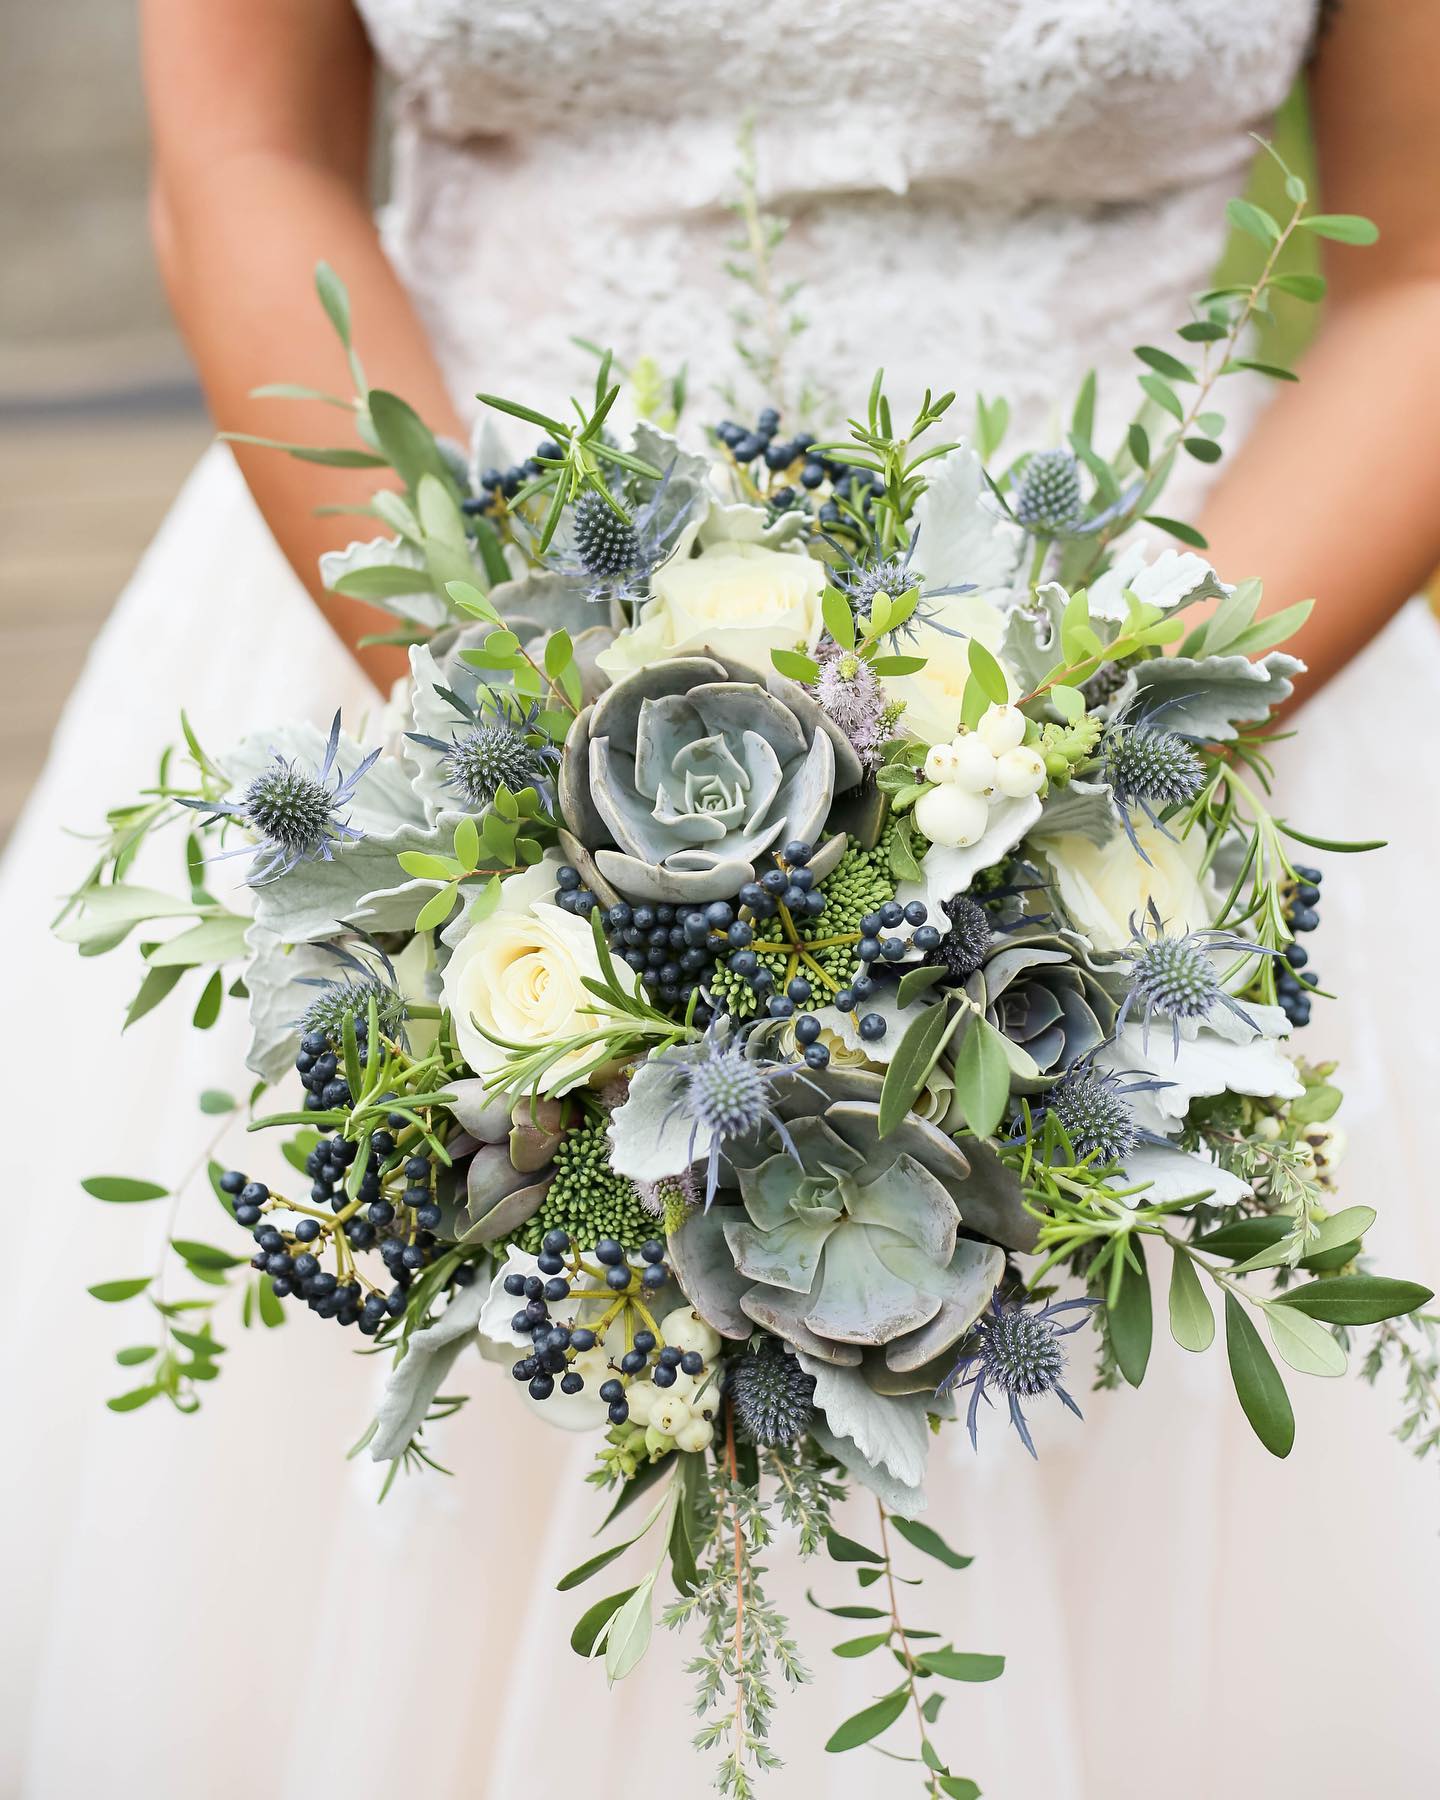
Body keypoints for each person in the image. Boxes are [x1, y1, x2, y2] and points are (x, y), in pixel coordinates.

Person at [4, 2, 1438, 1794]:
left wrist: (1053, 765)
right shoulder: (478, 718)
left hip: (1168, 723)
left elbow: (1417, 264)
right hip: (427, 634)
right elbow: (246, 158)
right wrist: (522, 756)